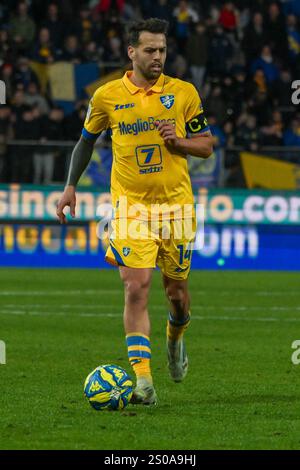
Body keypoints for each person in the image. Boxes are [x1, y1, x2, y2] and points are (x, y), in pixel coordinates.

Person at [56, 18, 213, 405]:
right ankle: (143, 382)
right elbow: (85, 141)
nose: (158, 56)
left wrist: (179, 143)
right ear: (132, 52)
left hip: (177, 208)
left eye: (161, 50)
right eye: (150, 50)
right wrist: (70, 186)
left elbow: (207, 144)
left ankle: (175, 340)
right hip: (130, 208)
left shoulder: (183, 93)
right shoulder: (107, 96)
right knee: (135, 286)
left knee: (176, 295)